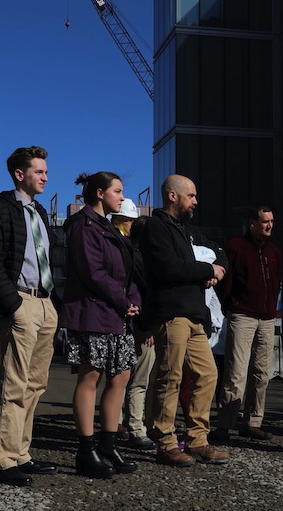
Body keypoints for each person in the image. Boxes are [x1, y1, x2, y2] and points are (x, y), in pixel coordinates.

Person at [0, 146, 60, 486]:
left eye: (45, 171)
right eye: (39, 171)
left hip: (46, 302)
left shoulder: (39, 212)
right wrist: (14, 304)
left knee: (36, 384)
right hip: (21, 302)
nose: (45, 177)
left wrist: (54, 303)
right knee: (15, 382)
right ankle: (4, 459)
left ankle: (22, 453)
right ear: (19, 174)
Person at [138, 175, 229, 466]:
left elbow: (218, 254)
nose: (196, 202)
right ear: (172, 196)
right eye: (191, 196)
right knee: (170, 377)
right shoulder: (155, 227)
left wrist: (214, 269)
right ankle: (165, 441)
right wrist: (206, 270)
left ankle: (197, 439)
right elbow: (169, 267)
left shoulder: (185, 229)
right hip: (171, 313)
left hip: (193, 315)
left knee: (207, 374)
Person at [60, 172, 141, 478]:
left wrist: (133, 300)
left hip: (117, 315)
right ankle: (86, 450)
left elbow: (129, 272)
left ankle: (108, 444)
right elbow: (93, 272)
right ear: (99, 193)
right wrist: (123, 300)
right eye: (117, 191)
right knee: (90, 376)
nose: (122, 197)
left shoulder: (109, 227)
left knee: (120, 376)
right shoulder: (83, 226)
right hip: (93, 312)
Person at [214, 206, 282, 442]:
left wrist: (271, 307)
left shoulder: (273, 251)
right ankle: (225, 425)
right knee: (236, 372)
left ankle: (253, 422)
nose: (269, 225)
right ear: (252, 223)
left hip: (267, 318)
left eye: (271, 221)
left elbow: (276, 281)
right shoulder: (236, 247)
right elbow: (225, 281)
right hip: (243, 315)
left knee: (261, 373)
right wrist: (231, 305)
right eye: (265, 221)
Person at [112, 201, 155, 450]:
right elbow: (144, 293)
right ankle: (137, 428)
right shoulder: (140, 258)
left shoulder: (125, 252)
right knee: (138, 380)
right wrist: (147, 326)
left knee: (121, 376)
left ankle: (117, 423)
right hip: (139, 324)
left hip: (127, 321)